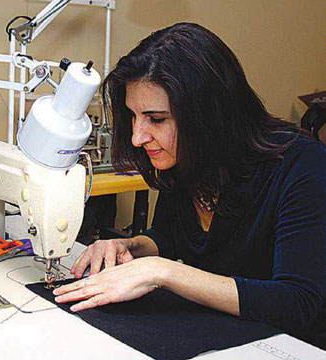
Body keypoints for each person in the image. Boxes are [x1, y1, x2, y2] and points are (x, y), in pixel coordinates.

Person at [53, 23, 326, 348]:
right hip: (223, 334)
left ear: (209, 115)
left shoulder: (302, 165)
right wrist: (132, 248)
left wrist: (160, 271)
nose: (138, 137)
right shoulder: (185, 161)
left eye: (156, 119)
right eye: (134, 116)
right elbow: (170, 238)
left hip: (291, 346)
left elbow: (296, 302)